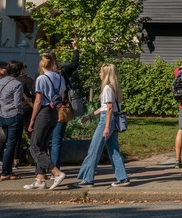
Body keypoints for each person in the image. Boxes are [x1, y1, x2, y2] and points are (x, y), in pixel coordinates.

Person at [73, 64, 130, 187]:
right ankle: (122, 177)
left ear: (106, 74)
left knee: (94, 150)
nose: (99, 74)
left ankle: (87, 179)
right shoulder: (114, 88)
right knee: (114, 150)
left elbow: (108, 109)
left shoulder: (107, 89)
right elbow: (106, 107)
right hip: (112, 119)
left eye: (101, 72)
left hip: (107, 121)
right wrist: (90, 116)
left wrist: (106, 127)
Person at [24, 51, 68, 189]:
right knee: (42, 146)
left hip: (43, 111)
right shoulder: (60, 78)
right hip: (54, 112)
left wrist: (32, 119)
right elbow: (61, 97)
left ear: (41, 63)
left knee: (34, 146)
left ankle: (56, 172)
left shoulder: (41, 79)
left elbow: (37, 101)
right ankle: (40, 179)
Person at [50, 41, 79, 171]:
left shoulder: (42, 76)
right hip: (61, 108)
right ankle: (55, 169)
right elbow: (74, 63)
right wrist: (75, 48)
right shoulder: (63, 72)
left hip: (46, 110)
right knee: (56, 141)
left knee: (44, 140)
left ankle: (41, 170)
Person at [6, 61, 33, 170]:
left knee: (15, 137)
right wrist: (28, 101)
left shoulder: (8, 81)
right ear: (23, 69)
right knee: (30, 133)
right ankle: (35, 157)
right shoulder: (28, 80)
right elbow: (33, 93)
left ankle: (15, 160)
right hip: (25, 109)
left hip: (8, 112)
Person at [0, 60, 24, 180]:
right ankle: (5, 172)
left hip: (3, 115)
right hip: (14, 116)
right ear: (18, 71)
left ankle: (7, 171)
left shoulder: (1, 81)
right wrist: (26, 102)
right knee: (11, 145)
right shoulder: (17, 84)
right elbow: (17, 104)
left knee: (6, 143)